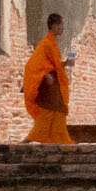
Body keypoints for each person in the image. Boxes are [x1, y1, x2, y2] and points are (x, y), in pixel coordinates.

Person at [22, 13, 74, 144]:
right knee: (47, 112)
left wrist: (65, 63)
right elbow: (34, 64)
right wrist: (46, 74)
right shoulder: (45, 44)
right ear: (54, 26)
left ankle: (60, 139)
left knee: (59, 111)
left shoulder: (52, 43)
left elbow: (53, 64)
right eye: (61, 25)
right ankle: (30, 138)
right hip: (49, 85)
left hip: (56, 84)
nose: (63, 28)